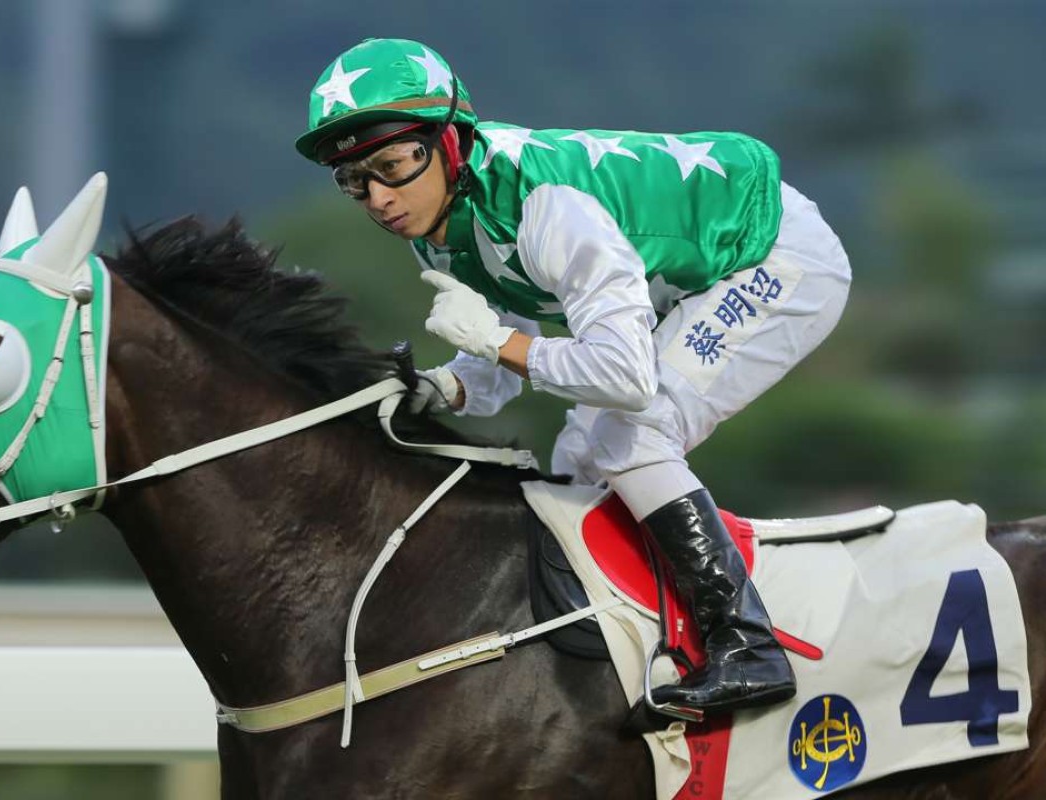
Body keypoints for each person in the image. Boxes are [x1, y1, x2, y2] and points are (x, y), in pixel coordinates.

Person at [294, 38, 851, 719]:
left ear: (451, 141)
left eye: (391, 165)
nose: (379, 198)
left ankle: (747, 643)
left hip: (776, 257)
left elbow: (623, 378)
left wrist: (501, 340)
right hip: (688, 280)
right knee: (578, 455)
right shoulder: (442, 215)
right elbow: (496, 370)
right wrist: (439, 387)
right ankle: (632, 642)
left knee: (631, 436)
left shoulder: (546, 207)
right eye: (354, 181)